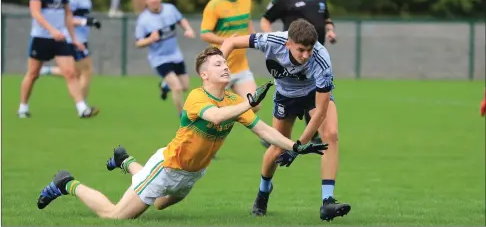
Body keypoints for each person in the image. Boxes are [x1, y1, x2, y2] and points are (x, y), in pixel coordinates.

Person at [36, 46, 327, 220]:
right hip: (168, 167)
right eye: (217, 65)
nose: (225, 67)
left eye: (225, 64)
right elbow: (214, 117)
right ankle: (67, 183)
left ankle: (125, 161)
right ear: (204, 75)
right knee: (115, 215)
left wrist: (296, 145)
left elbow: (263, 130)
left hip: (191, 175)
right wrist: (246, 105)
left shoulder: (233, 102)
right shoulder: (198, 98)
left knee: (161, 205)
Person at [220, 19, 351, 221]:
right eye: (300, 50)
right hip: (285, 96)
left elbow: (321, 110)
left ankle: (327, 202)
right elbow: (232, 43)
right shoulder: (271, 41)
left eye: (309, 50)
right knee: (277, 148)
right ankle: (263, 192)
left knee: (331, 134)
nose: (306, 56)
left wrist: (298, 147)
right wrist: (218, 69)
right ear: (288, 43)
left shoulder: (322, 58)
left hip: (312, 94)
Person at [259, 0, 336, 145]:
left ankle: (314, 135)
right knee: (290, 94)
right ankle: (276, 138)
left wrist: (330, 30)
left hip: (314, 57)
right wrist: (273, 43)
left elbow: (326, 18)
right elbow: (265, 20)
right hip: (293, 59)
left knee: (317, 93)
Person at [18, 0, 98, 119]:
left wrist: (74, 38)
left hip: (61, 38)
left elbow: (68, 15)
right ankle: (23, 107)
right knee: (33, 74)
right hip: (41, 37)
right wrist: (51, 30)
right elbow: (36, 13)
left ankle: (82, 109)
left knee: (70, 73)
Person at [200, 0, 260, 113]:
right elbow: (204, 33)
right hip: (218, 68)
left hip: (240, 67)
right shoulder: (214, 6)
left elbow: (248, 22)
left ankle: (230, 110)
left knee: (255, 105)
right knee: (210, 114)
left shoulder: (246, 0)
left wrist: (256, 40)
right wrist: (227, 41)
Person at [39, 0, 101, 101]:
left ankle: (46, 71)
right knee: (87, 71)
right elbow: (66, 18)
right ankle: (83, 106)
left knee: (75, 72)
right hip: (74, 39)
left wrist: (88, 22)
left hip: (80, 38)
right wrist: (86, 22)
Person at [135, 0, 196, 117]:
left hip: (175, 55)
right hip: (159, 59)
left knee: (185, 86)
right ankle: (183, 117)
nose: (153, 0)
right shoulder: (143, 20)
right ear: (146, 1)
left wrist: (188, 29)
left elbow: (181, 20)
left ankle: (165, 86)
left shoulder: (170, 9)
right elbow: (138, 43)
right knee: (177, 87)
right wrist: (150, 39)